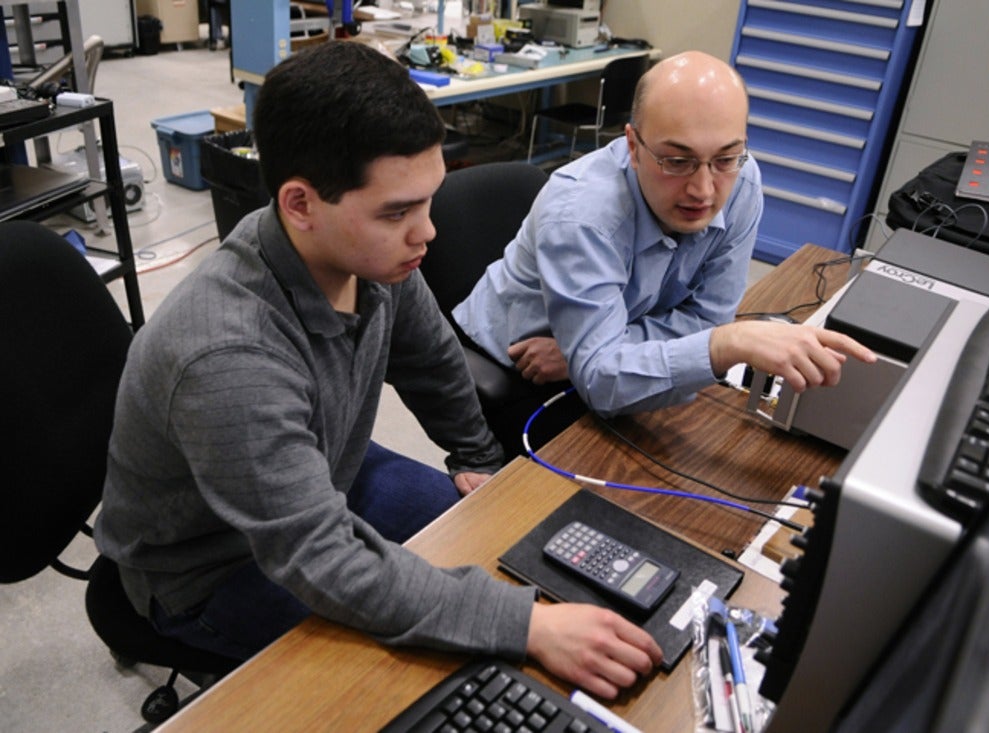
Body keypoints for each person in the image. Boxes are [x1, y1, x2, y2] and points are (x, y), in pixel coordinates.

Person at [93, 41, 661, 700]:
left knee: (497, 546)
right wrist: (526, 626)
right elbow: (321, 558)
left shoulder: (366, 255)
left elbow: (431, 360)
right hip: (212, 567)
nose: (427, 233)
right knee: (432, 670)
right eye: (397, 211)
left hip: (325, 475)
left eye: (427, 202)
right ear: (300, 203)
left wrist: (478, 458)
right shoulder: (226, 356)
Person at [454, 51, 876, 455]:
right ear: (633, 147)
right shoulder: (582, 216)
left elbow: (706, 318)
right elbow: (604, 383)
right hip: (515, 365)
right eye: (677, 161)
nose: (704, 191)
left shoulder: (742, 182)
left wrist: (603, 352)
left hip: (584, 355)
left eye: (726, 157)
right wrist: (724, 344)